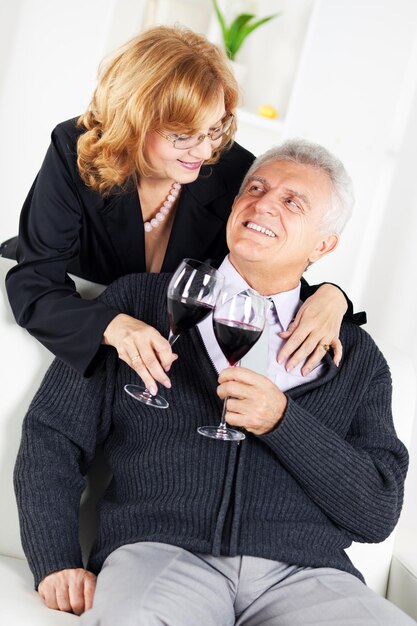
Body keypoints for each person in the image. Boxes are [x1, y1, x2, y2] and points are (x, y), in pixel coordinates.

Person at [14, 139, 413, 625]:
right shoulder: (139, 304)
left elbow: (376, 513)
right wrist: (54, 560)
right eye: (255, 188)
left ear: (324, 245)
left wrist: (282, 423)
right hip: (161, 557)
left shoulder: (356, 357)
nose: (263, 203)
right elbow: (53, 435)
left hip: (306, 576)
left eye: (293, 202)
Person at [3, 25, 360, 395]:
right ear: (134, 121)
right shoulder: (74, 149)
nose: (205, 152)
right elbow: (35, 285)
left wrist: (332, 296)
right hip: (74, 294)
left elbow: (259, 267)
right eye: (183, 136)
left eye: (215, 129)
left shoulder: (233, 170)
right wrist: (113, 324)